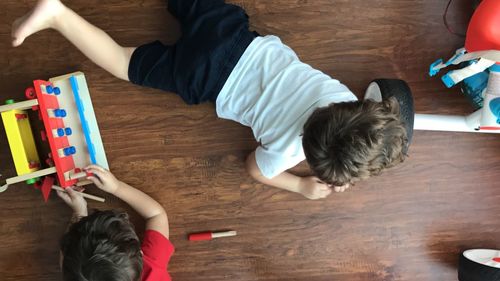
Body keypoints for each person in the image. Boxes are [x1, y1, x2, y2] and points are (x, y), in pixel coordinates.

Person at [12, 0, 408, 200]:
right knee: (122, 62)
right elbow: (257, 170)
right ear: (311, 156)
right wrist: (302, 186)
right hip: (206, 79)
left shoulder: (342, 95)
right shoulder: (287, 151)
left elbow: (359, 127)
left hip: (231, 38)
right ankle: (58, 15)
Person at [57, 165, 174, 281]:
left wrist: (79, 212)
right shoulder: (153, 272)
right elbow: (156, 215)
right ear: (140, 253)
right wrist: (116, 187)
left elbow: (68, 260)